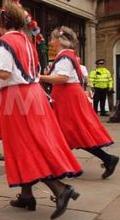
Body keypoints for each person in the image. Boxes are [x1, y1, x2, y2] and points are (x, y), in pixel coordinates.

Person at [0, 2, 82, 220]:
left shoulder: (5, 42)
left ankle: (60, 189)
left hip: (17, 98)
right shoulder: (27, 42)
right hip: (34, 94)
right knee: (31, 143)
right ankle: (26, 194)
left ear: (2, 23)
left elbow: (2, 73)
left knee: (26, 146)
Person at [40, 27, 118, 179]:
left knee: (71, 132)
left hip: (68, 98)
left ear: (60, 41)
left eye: (53, 39)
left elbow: (62, 78)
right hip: (68, 97)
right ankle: (104, 160)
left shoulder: (64, 57)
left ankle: (68, 166)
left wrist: (40, 77)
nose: (51, 42)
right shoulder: (67, 55)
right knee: (70, 133)